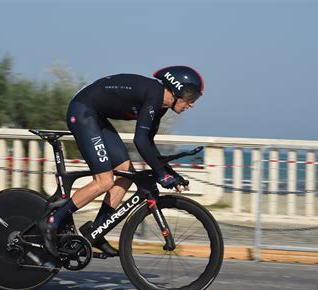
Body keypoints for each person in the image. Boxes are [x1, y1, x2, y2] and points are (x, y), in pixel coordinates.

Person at [39, 65, 204, 257]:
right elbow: (139, 140)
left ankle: (97, 231)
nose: (191, 104)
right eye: (191, 98)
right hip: (83, 111)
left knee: (126, 174)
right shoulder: (154, 95)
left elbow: (148, 143)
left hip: (97, 117)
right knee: (105, 180)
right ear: (177, 88)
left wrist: (170, 173)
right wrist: (161, 174)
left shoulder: (161, 107)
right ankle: (51, 221)